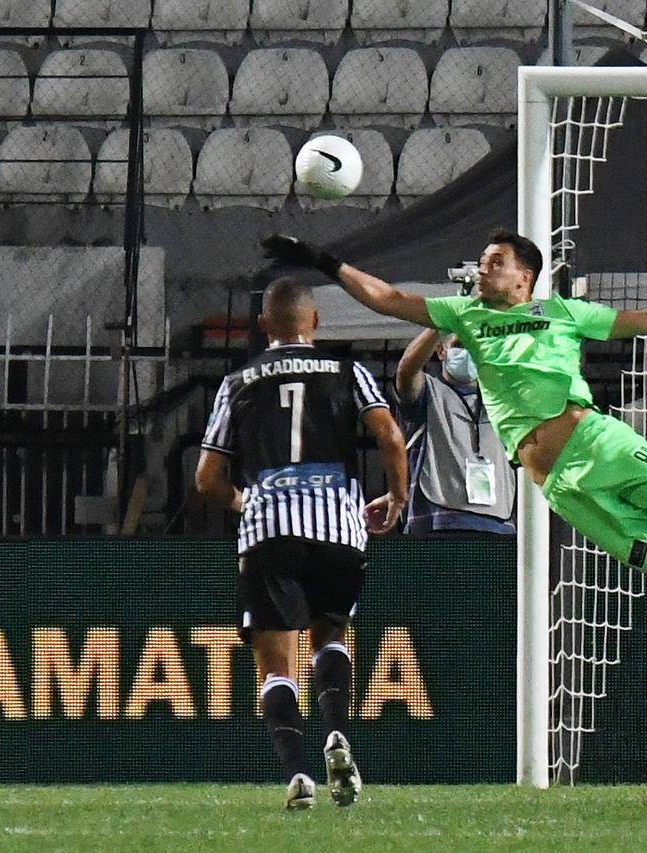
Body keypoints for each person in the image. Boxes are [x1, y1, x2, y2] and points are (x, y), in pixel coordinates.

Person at [260, 228, 647, 646]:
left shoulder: (560, 312)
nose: (483, 268)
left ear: (525, 277)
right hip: (561, 488)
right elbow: (387, 298)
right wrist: (321, 259)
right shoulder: (466, 314)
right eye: (483, 261)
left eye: (495, 262)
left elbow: (646, 322)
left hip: (599, 444)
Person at [195, 276, 408, 810]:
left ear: (263, 324)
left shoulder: (238, 382)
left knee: (275, 664)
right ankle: (337, 733)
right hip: (339, 526)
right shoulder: (348, 371)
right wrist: (397, 497)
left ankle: (297, 775)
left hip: (270, 528)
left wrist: (245, 502)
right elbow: (390, 435)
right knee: (330, 636)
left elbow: (207, 479)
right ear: (315, 321)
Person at [395, 327, 516, 535]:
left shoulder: (503, 400)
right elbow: (406, 371)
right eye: (459, 345)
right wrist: (441, 321)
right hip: (438, 525)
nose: (469, 352)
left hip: (499, 527)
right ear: (441, 351)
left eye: (476, 345)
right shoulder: (427, 392)